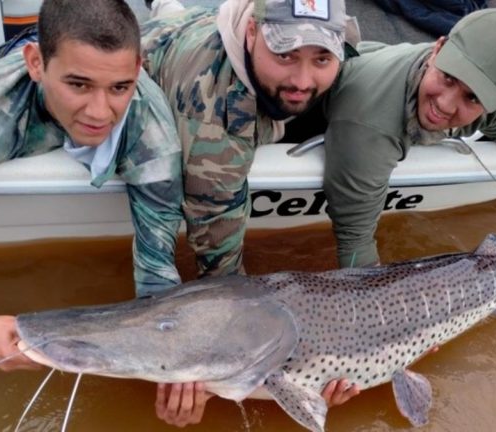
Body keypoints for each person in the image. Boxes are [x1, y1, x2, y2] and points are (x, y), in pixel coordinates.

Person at [0, 0, 187, 425]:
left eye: (119, 87)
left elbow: (157, 278)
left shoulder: (154, 141)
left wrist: (177, 372)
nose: (100, 113)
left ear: (138, 70)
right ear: (36, 64)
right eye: (78, 85)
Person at [139, 0, 360, 426]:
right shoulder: (216, 132)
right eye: (285, 54)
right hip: (175, 69)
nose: (302, 80)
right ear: (254, 33)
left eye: (321, 57)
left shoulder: (311, 61)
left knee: (170, 13)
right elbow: (220, 274)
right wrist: (199, 375)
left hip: (188, 23)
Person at [320, 8, 496, 268]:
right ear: (438, 49)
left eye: (472, 97)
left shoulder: (482, 84)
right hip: (340, 105)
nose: (445, 104)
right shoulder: (368, 124)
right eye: (448, 78)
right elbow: (354, 240)